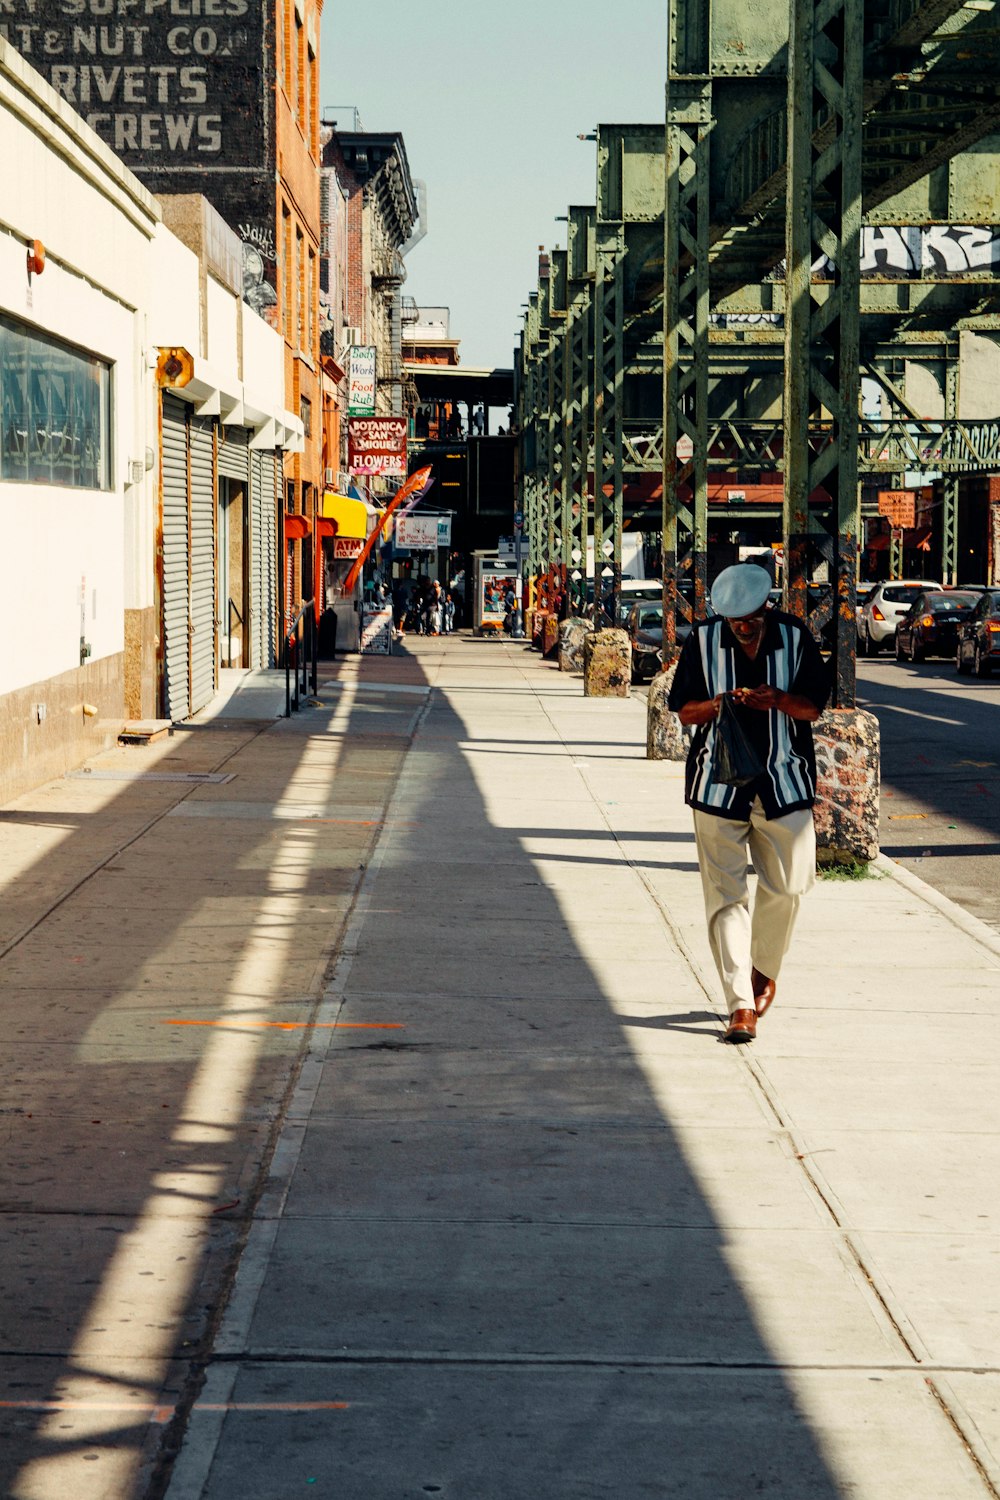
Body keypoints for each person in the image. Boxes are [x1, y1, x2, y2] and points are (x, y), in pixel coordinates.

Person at [667, 563, 830, 1044]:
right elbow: (683, 709)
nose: (741, 629)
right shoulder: (702, 641)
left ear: (767, 609)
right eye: (733, 622)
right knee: (725, 896)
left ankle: (764, 968)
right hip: (717, 785)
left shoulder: (796, 638)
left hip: (784, 778)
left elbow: (814, 707)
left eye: (750, 621)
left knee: (793, 883)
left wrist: (777, 699)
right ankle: (740, 1003)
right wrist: (721, 703)